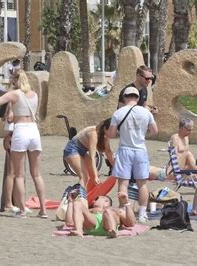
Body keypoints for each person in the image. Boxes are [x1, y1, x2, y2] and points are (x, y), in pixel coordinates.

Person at [0, 70, 47, 218]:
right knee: (37, 174)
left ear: (15, 81)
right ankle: (43, 210)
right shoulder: (34, 95)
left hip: (21, 131)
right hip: (34, 131)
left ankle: (22, 210)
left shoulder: (14, 94)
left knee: (19, 175)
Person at [107, 87, 158, 223]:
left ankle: (123, 209)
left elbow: (111, 134)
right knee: (142, 184)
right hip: (140, 149)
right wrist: (141, 133)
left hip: (125, 149)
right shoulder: (146, 112)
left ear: (124, 98)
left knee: (123, 183)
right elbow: (154, 131)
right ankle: (142, 213)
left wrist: (122, 132)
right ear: (137, 98)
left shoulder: (118, 113)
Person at [63, 118, 113, 189]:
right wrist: (95, 177)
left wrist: (116, 167)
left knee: (93, 176)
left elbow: (108, 152)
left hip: (82, 150)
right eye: (110, 132)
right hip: (72, 149)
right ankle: (79, 197)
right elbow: (92, 157)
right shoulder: (94, 133)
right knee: (84, 176)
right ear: (105, 128)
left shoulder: (105, 135)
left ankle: (88, 195)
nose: (112, 135)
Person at [65, 191, 136, 238]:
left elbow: (131, 223)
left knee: (108, 211)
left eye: (97, 198)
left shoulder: (115, 209)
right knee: (78, 203)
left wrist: (126, 203)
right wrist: (71, 202)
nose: (93, 201)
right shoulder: (90, 210)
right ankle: (79, 231)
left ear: (106, 201)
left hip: (108, 225)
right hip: (92, 222)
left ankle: (113, 232)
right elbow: (69, 222)